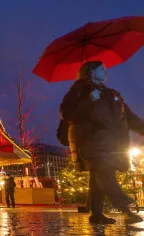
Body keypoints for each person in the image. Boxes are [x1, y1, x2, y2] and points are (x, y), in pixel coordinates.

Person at [60, 61, 144, 224]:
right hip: (91, 142)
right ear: (91, 72)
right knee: (105, 173)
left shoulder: (112, 94)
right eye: (102, 70)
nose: (106, 73)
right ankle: (126, 209)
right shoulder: (78, 91)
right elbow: (66, 113)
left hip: (113, 143)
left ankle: (96, 213)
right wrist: (88, 101)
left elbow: (129, 116)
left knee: (99, 176)